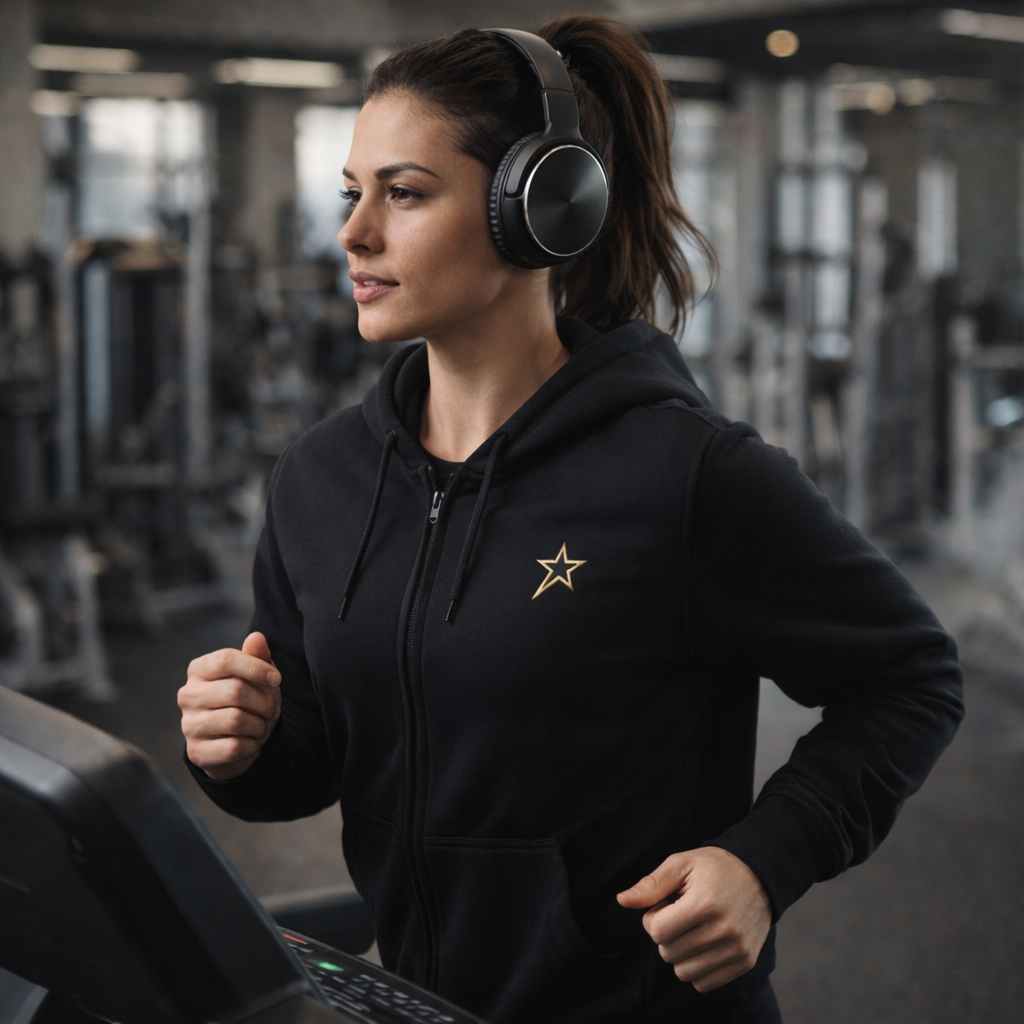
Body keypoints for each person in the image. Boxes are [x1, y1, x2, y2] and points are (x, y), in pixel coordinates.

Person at [178, 16, 964, 1024]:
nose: (354, 233)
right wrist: (241, 745)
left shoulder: (686, 475)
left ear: (539, 209)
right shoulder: (319, 479)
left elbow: (910, 676)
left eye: (403, 192)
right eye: (352, 192)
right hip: (417, 1005)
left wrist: (764, 861)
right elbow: (316, 760)